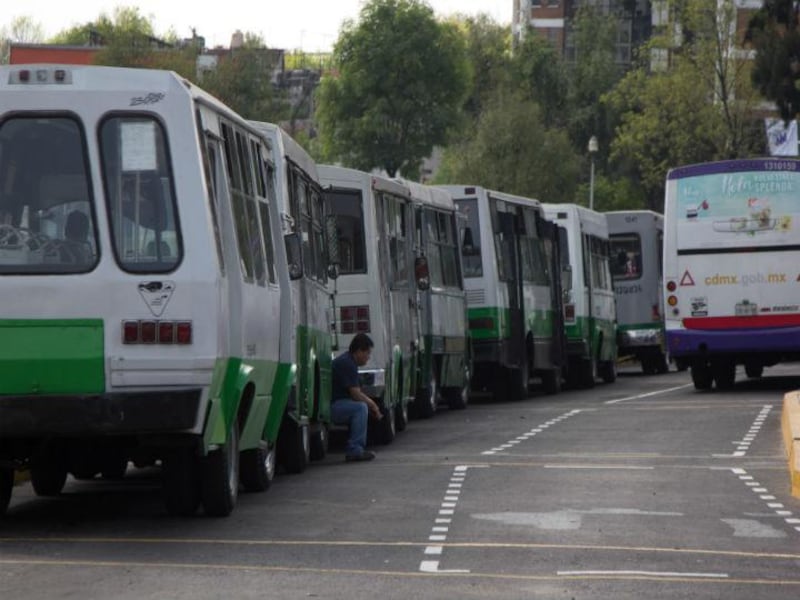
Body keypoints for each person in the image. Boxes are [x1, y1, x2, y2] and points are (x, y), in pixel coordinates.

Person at [331, 333, 382, 462]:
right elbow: (356, 394)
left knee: (362, 407)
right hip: (333, 406)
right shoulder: (347, 363)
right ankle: (355, 450)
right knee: (360, 408)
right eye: (367, 353)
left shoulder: (348, 361)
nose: (368, 357)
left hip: (338, 402)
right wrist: (373, 405)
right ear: (359, 351)